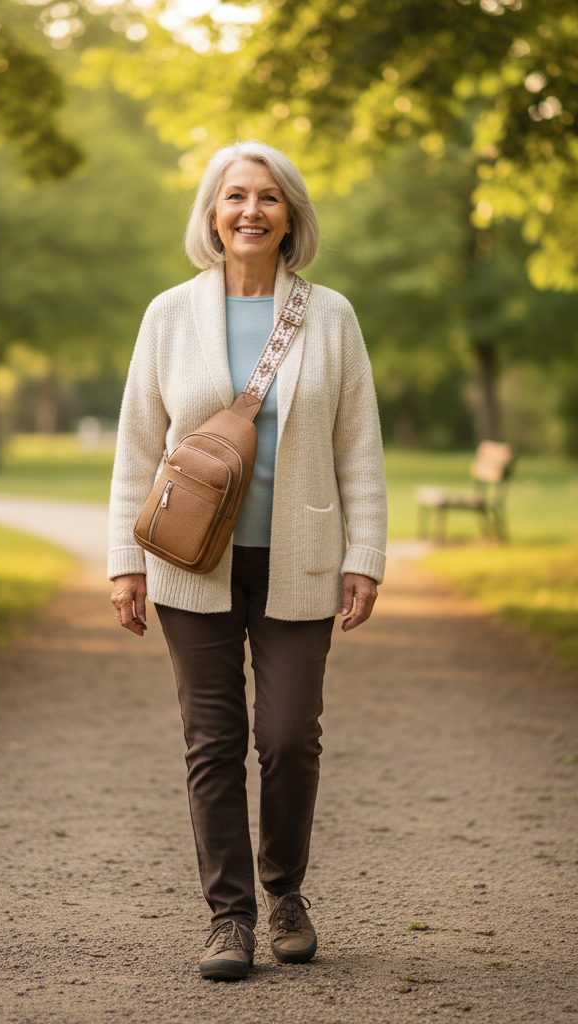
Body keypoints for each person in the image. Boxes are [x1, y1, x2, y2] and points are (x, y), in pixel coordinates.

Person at [108, 140, 387, 980]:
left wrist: (364, 555)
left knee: (290, 738)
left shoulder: (329, 315)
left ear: (291, 215)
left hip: (299, 557)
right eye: (235, 197)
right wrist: (125, 562)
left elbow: (359, 446)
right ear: (212, 214)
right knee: (212, 740)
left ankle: (286, 894)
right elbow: (136, 447)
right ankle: (229, 917)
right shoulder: (169, 314)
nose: (251, 212)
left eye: (268, 198)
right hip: (192, 562)